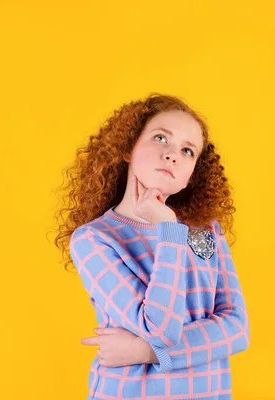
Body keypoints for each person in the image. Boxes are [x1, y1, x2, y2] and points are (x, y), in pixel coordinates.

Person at [54, 93, 250, 399]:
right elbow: (161, 329)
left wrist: (145, 352)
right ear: (128, 147)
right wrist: (169, 232)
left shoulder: (207, 229)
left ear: (190, 175)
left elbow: (237, 329)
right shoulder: (94, 239)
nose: (172, 154)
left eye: (187, 151)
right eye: (161, 138)